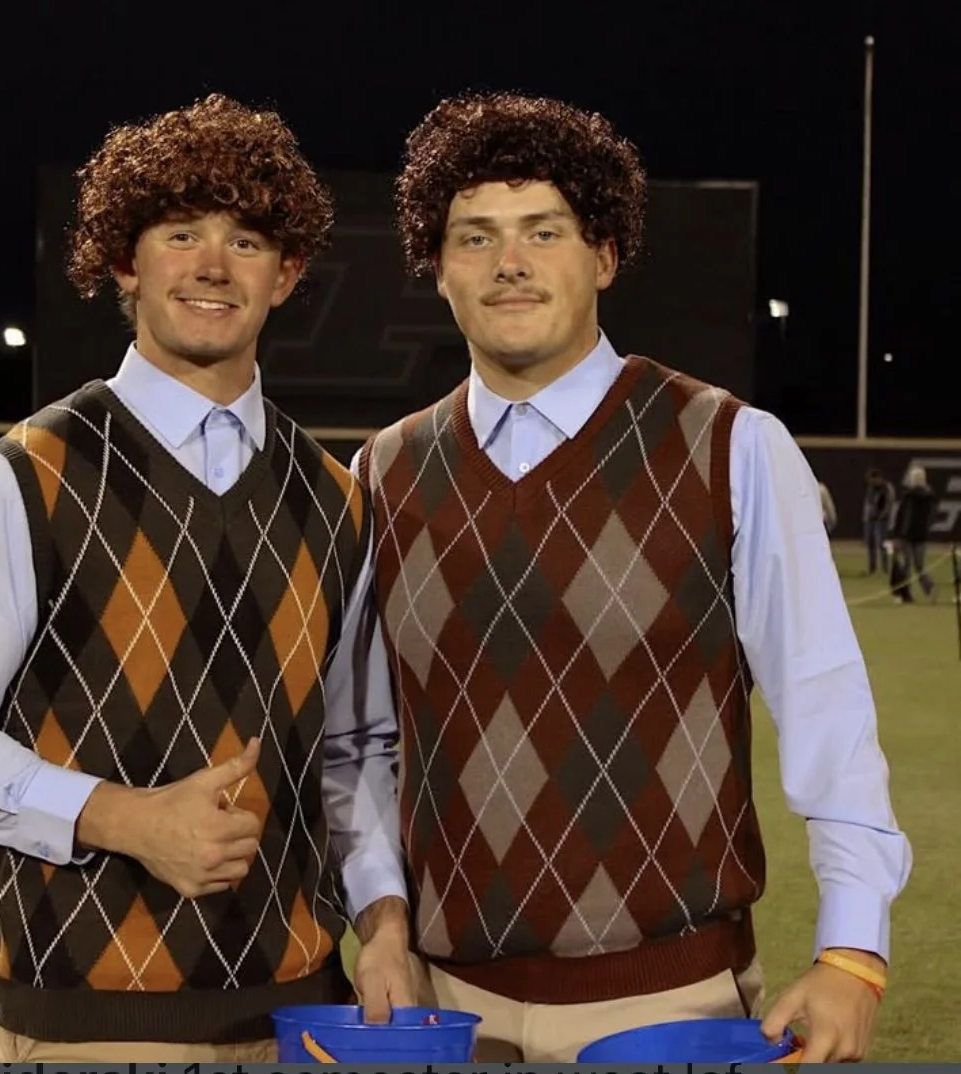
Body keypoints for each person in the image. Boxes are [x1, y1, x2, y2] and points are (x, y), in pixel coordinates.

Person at [352, 91, 912, 1064]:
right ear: (436, 268)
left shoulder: (730, 445)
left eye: (544, 230)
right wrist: (382, 921)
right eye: (475, 237)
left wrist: (853, 948)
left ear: (603, 254)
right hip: (445, 1008)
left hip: (673, 1005)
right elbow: (358, 736)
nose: (510, 262)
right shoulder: (383, 471)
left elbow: (827, 709)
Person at [0, 93, 412, 1064]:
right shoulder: (24, 477)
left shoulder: (336, 497)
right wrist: (124, 818)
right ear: (125, 261)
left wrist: (381, 919)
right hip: (90, 1024)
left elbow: (351, 751)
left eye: (248, 241)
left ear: (287, 274)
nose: (213, 265)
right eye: (181, 233)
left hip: (300, 1018)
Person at [890, 465, 938, 602]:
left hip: (907, 535)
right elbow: (930, 517)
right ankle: (930, 589)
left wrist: (898, 535)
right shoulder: (929, 497)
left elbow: (902, 516)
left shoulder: (908, 496)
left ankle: (905, 595)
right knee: (920, 565)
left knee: (906, 565)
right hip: (921, 535)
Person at [863, 468, 896, 576]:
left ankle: (886, 568)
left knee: (884, 544)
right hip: (871, 520)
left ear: (877, 478)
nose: (870, 482)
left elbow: (889, 504)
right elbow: (868, 502)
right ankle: (872, 568)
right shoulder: (871, 488)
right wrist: (867, 517)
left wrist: (882, 515)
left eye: (871, 479)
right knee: (870, 544)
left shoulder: (887, 488)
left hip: (883, 521)